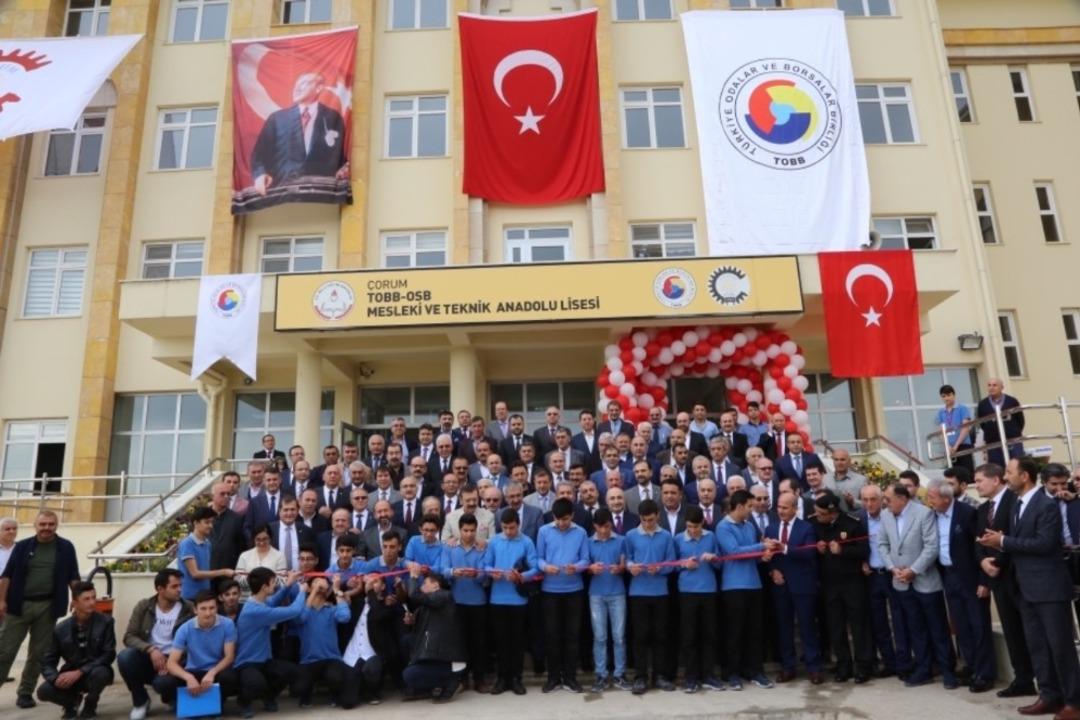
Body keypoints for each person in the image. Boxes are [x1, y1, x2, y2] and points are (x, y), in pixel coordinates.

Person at [978, 457, 1080, 718]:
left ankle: (1074, 702)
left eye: (1010, 472)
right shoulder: (1017, 506)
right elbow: (1017, 543)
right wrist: (997, 549)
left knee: (1061, 647)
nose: (1006, 476)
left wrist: (1003, 541)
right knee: (1038, 646)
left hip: (1049, 588)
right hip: (1024, 587)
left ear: (1024, 476)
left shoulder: (1045, 505)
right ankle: (1049, 696)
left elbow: (1045, 544)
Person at [877, 483, 957, 690]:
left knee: (937, 628)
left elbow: (931, 547)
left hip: (925, 581)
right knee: (916, 629)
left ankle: (948, 670)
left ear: (902, 499)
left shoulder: (923, 513)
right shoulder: (886, 515)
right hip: (900, 581)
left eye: (888, 498)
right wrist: (892, 567)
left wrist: (914, 570)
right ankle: (923, 669)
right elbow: (882, 544)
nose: (885, 503)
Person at [0, 510, 81, 708]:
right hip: (19, 605)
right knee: (5, 651)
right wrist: (1, 600)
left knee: (38, 654)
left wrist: (77, 598)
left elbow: (74, 576)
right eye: (43, 524)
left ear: (56, 525)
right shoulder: (23, 547)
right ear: (36, 525)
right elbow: (7, 576)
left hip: (48, 606)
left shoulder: (66, 547)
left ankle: (25, 693)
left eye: (50, 524)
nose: (46, 528)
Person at [926, 478, 996, 693]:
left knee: (979, 625)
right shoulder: (932, 516)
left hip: (971, 578)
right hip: (949, 576)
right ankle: (972, 665)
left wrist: (985, 581)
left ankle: (985, 674)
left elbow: (980, 548)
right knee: (961, 625)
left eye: (932, 497)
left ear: (946, 498)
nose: (929, 501)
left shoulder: (967, 513)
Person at [972, 462, 1035, 699]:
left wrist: (997, 563)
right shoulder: (982, 510)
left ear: (995, 480)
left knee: (1029, 631)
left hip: (1015, 576)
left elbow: (1013, 537)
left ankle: (1044, 681)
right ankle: (1023, 679)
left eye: (979, 480)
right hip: (995, 579)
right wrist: (983, 563)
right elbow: (978, 541)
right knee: (1011, 631)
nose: (976, 485)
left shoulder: (1013, 502)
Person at [250, 71, 348, 198]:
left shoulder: (333, 118)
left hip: (322, 194)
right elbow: (258, 156)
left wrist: (344, 168)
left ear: (319, 88)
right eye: (296, 84)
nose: (297, 88)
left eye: (304, 83)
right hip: (283, 194)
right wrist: (259, 175)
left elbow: (340, 156)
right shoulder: (278, 119)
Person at [715, 489, 776, 690]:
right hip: (733, 585)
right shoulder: (723, 527)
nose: (752, 510)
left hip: (754, 584)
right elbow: (733, 552)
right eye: (749, 506)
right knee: (734, 631)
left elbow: (752, 553)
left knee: (755, 630)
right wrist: (760, 546)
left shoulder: (749, 526)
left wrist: (763, 555)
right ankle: (731, 672)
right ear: (740, 506)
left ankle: (755, 671)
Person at [118, 569, 194, 719]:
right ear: (160, 589)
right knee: (125, 657)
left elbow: (194, 641)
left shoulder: (189, 608)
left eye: (180, 585)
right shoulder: (144, 606)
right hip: (150, 657)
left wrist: (173, 660)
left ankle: (171, 696)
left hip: (177, 659)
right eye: (174, 586)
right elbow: (129, 636)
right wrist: (150, 649)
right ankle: (141, 702)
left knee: (163, 684)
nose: (179, 590)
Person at [813, 493, 873, 684]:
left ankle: (863, 666)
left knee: (858, 625)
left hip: (852, 582)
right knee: (836, 626)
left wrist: (843, 551)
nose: (817, 516)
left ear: (832, 513)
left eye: (821, 514)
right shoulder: (817, 525)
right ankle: (843, 665)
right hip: (830, 584)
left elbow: (864, 550)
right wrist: (819, 548)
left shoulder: (852, 523)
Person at [233, 567, 306, 717]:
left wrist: (288, 584)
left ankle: (268, 696)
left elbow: (273, 600)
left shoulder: (258, 602)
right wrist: (302, 591)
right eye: (273, 583)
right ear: (265, 587)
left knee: (292, 672)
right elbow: (294, 610)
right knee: (256, 683)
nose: (275, 585)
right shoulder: (255, 611)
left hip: (264, 661)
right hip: (247, 663)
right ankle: (244, 702)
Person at [36, 581, 115, 720]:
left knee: (101, 673)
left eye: (93, 597)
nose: (92, 602)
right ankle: (71, 704)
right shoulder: (60, 629)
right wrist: (55, 678)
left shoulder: (106, 622)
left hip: (94, 672)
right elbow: (47, 661)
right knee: (44, 691)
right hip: (71, 674)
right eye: (86, 599)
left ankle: (90, 705)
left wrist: (80, 671)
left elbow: (109, 654)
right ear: (75, 603)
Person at [767, 491, 822, 684]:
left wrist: (785, 548)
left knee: (807, 627)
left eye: (785, 507)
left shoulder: (806, 528)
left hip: (802, 585)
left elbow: (809, 554)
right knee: (784, 628)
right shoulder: (771, 528)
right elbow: (768, 557)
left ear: (795, 508)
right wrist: (772, 571)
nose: (781, 511)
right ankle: (787, 667)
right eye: (779, 507)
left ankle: (814, 668)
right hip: (780, 586)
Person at [536, 498, 589, 693]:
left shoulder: (581, 532)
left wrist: (576, 567)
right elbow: (539, 558)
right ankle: (553, 677)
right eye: (558, 519)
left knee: (572, 635)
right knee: (552, 635)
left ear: (572, 516)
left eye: (565, 519)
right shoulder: (544, 531)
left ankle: (570, 677)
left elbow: (586, 559)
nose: (561, 523)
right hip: (550, 590)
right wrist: (545, 566)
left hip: (574, 590)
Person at [483, 508, 538, 695]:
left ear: (518, 524)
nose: (508, 531)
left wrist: (521, 576)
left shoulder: (527, 542)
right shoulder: (494, 541)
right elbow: (486, 565)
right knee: (501, 641)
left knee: (517, 641)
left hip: (518, 599)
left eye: (512, 528)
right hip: (497, 598)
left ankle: (516, 678)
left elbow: (536, 568)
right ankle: (501, 678)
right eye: (505, 527)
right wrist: (493, 572)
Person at [624, 499, 676, 694]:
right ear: (640, 518)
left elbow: (672, 562)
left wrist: (660, 569)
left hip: (660, 591)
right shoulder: (630, 535)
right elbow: (626, 558)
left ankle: (660, 675)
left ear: (658, 517)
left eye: (651, 520)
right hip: (638, 592)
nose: (648, 524)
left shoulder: (666, 536)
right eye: (645, 520)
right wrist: (631, 567)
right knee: (640, 636)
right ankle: (640, 676)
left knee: (660, 635)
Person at [857, 483, 907, 679]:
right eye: (865, 500)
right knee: (878, 622)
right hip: (871, 576)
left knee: (899, 619)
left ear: (882, 500)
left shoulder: (892, 515)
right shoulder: (859, 518)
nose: (869, 504)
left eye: (873, 499)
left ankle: (904, 662)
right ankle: (889, 662)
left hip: (892, 573)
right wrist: (861, 562)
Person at [674, 506, 723, 693]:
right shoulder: (678, 539)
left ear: (702, 522)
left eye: (696, 526)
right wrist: (684, 565)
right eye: (689, 527)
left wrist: (714, 559)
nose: (693, 530)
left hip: (709, 591)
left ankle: (709, 675)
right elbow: (671, 564)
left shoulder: (711, 537)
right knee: (689, 636)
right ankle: (691, 677)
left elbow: (720, 564)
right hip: (687, 592)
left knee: (709, 634)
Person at [164, 589, 240, 709]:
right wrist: (188, 677)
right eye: (203, 608)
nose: (208, 613)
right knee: (163, 682)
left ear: (217, 608)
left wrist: (212, 672)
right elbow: (171, 663)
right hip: (193, 671)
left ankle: (217, 701)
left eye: (212, 608)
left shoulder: (227, 624)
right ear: (195, 610)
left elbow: (229, 657)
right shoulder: (185, 628)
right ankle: (182, 702)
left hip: (216, 671)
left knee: (230, 678)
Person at [400, 565, 465, 703]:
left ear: (436, 585)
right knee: (406, 641)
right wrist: (413, 621)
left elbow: (414, 595)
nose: (422, 586)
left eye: (425, 583)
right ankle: (430, 685)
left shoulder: (444, 595)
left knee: (408, 675)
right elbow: (424, 627)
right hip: (432, 650)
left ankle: (451, 679)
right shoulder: (430, 602)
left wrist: (413, 577)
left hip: (444, 655)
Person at [440, 514, 489, 693]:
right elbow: (442, 569)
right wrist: (454, 571)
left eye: (472, 530)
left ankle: (479, 679)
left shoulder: (482, 548)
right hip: (457, 601)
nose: (468, 534)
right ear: (459, 530)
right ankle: (462, 679)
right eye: (465, 530)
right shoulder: (450, 547)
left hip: (478, 601)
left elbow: (486, 573)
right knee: (459, 642)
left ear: (476, 531)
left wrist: (477, 574)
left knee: (479, 642)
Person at [585, 508, 630, 693]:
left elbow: (625, 564)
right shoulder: (588, 542)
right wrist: (590, 569)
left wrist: (621, 568)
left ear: (611, 524)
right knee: (600, 636)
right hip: (596, 594)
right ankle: (601, 675)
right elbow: (584, 564)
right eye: (600, 527)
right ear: (594, 526)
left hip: (617, 592)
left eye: (607, 526)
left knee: (619, 637)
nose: (604, 531)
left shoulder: (621, 540)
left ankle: (619, 674)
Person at [294, 575, 351, 708]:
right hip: (308, 661)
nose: (320, 585)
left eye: (323, 584)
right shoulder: (301, 608)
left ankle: (335, 694)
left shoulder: (331, 610)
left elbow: (345, 617)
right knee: (298, 688)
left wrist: (336, 589)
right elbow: (300, 618)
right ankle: (307, 695)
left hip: (331, 658)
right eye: (316, 583)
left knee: (336, 678)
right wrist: (313, 591)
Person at [178, 507, 234, 601]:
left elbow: (205, 570)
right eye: (207, 522)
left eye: (212, 522)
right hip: (190, 598)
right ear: (196, 523)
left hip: (204, 595)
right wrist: (223, 572)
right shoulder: (187, 543)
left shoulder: (207, 543)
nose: (210, 526)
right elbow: (195, 573)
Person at [976, 378, 1025, 466]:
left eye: (995, 385)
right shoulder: (982, 404)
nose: (991, 387)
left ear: (1002, 387)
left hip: (1013, 440)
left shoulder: (1012, 401)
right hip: (993, 442)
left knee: (1017, 465)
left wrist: (1013, 432)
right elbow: (982, 423)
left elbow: (1020, 420)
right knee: (996, 468)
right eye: (989, 385)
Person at [235, 525, 285, 599]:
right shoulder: (244, 555)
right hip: (247, 599)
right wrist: (264, 582)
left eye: (265, 539)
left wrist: (253, 579)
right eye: (258, 539)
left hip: (271, 600)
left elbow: (282, 580)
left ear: (270, 538)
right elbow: (237, 578)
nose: (262, 543)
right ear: (253, 539)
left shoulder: (280, 556)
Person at [209, 482, 246, 576]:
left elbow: (240, 546)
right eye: (222, 494)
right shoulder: (202, 517)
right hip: (206, 571)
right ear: (212, 496)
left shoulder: (237, 519)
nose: (226, 496)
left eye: (228, 494)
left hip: (228, 571)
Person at [936, 384, 975, 473]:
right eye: (943, 396)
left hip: (963, 444)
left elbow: (966, 427)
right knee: (954, 474)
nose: (946, 398)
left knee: (967, 471)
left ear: (954, 395)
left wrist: (956, 445)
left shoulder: (962, 408)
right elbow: (940, 432)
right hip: (949, 448)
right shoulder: (941, 412)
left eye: (949, 395)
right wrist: (948, 446)